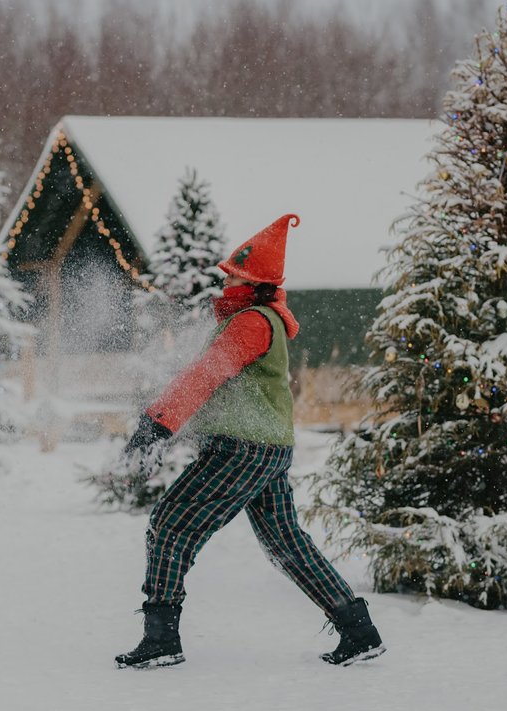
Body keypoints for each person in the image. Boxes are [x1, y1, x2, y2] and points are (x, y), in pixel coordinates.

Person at [115, 214, 384, 669]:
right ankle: (359, 631)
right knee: (286, 543)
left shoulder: (252, 322)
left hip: (242, 448)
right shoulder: (258, 320)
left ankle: (161, 639)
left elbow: (206, 374)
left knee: (170, 527)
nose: (227, 279)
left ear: (254, 280)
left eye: (235, 274)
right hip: (268, 448)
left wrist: (157, 422)